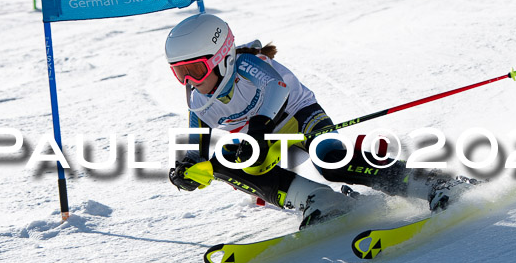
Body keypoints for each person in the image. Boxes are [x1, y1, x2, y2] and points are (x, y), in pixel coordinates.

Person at [166, 13, 475, 229]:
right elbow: (198, 145)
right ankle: (318, 200)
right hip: (265, 139)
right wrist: (186, 168)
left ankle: (432, 183)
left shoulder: (248, 64)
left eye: (196, 69)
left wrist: (258, 126)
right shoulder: (198, 101)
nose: (190, 81)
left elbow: (277, 87)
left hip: (299, 117)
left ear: (224, 58)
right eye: (180, 73)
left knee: (331, 160)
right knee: (223, 164)